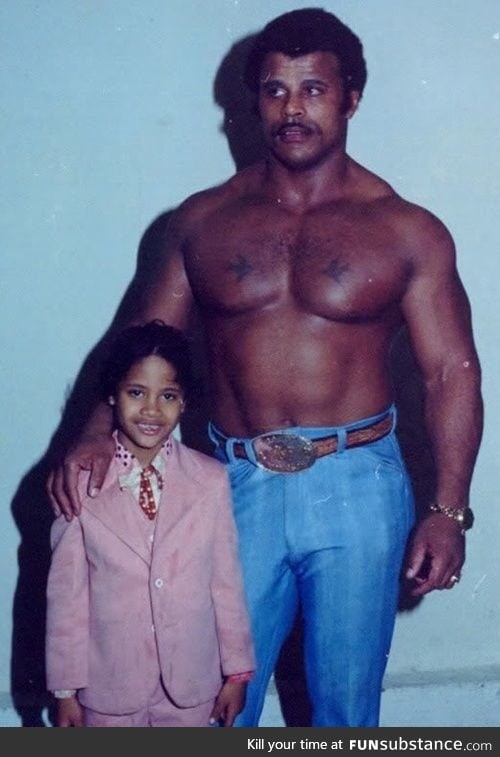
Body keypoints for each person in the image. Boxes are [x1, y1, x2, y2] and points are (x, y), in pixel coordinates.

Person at [47, 8, 483, 727]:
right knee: (213, 702)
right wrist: (93, 433)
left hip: (359, 485)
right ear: (253, 102)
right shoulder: (204, 221)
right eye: (276, 90)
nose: (293, 109)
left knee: (345, 713)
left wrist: (448, 509)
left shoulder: (406, 230)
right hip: (232, 484)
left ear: (351, 98)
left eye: (314, 89)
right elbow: (140, 339)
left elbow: (451, 373)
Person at [45, 321, 255, 727]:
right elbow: (67, 597)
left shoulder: (211, 480)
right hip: (108, 691)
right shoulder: (79, 484)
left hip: (191, 687)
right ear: (112, 396)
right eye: (136, 393)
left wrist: (238, 672)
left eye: (168, 396)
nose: (152, 410)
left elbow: (226, 584)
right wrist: (66, 691)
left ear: (185, 402)